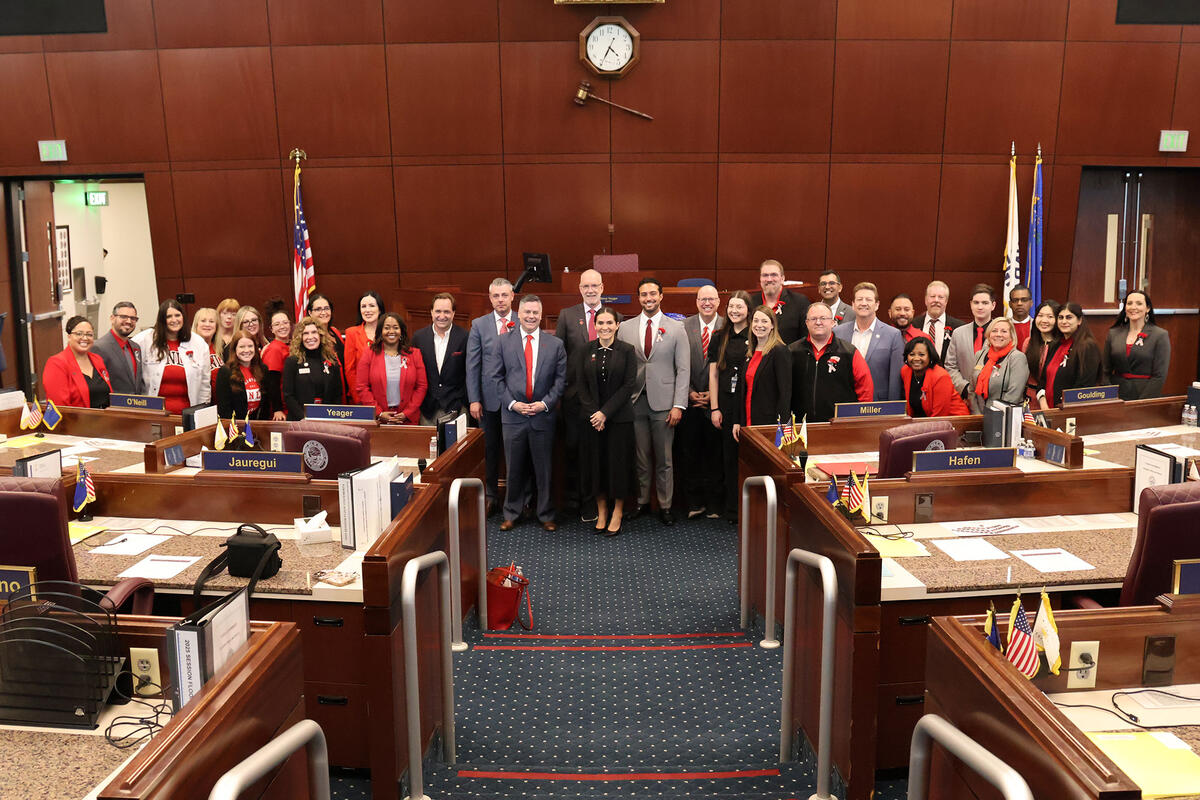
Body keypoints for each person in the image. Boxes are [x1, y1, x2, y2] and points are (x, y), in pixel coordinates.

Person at [617, 277, 689, 526]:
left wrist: (679, 404)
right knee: (641, 458)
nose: (648, 298)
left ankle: (666, 506)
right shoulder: (625, 328)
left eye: (652, 294)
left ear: (661, 296)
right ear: (638, 298)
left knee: (665, 459)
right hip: (635, 401)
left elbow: (683, 369)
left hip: (665, 404)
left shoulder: (677, 328)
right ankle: (642, 502)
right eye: (643, 294)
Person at [492, 295, 566, 532]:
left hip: (543, 415)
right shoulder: (503, 342)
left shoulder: (555, 344)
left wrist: (545, 404)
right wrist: (512, 403)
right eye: (527, 312)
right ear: (519, 314)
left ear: (541, 315)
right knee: (514, 468)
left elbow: (561, 380)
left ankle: (545, 514)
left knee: (544, 468)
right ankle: (512, 512)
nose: (531, 316)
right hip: (513, 416)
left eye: (535, 312)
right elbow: (495, 378)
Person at [575, 307, 636, 536]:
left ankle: (618, 512)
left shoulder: (627, 350)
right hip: (591, 421)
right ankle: (601, 511)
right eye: (600, 323)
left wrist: (605, 413)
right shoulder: (585, 350)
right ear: (595, 325)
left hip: (619, 420)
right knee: (596, 466)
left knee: (617, 467)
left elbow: (628, 386)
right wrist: (595, 414)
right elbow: (580, 386)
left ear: (617, 325)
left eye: (609, 322)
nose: (605, 327)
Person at [554, 269, 608, 519]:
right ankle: (576, 500)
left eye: (594, 286)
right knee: (575, 449)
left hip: (605, 397)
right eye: (586, 286)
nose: (590, 290)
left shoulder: (610, 316)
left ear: (602, 287)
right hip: (575, 397)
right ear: (579, 288)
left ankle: (599, 501)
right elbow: (560, 355)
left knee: (601, 452)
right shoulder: (567, 315)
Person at [467, 278, 517, 516]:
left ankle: (519, 497)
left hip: (518, 400)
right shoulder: (479, 325)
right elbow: (473, 365)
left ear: (512, 297)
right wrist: (474, 399)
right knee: (490, 449)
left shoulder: (522, 319)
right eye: (496, 296)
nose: (500, 300)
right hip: (488, 401)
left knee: (517, 450)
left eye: (504, 295)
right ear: (490, 298)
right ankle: (490, 496)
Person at [681, 284, 724, 519]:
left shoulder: (727, 325)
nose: (707, 303)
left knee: (714, 455)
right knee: (690, 453)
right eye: (702, 299)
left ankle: (715, 504)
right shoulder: (683, 326)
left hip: (716, 403)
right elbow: (677, 363)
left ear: (718, 301)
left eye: (711, 299)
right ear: (696, 302)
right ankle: (694, 502)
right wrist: (688, 392)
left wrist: (712, 394)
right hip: (689, 400)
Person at [709, 290, 752, 524]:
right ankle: (732, 509)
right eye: (731, 307)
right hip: (724, 403)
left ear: (748, 310)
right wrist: (714, 408)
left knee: (749, 457)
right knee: (728, 457)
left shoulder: (755, 333)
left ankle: (751, 508)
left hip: (747, 402)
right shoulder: (719, 336)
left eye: (740, 307)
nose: (735, 311)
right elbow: (713, 374)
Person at [789, 303, 873, 423]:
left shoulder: (849, 352)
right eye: (813, 319)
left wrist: (860, 420)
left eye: (823, 318)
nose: (818, 322)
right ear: (806, 323)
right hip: (799, 426)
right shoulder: (792, 351)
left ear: (833, 322)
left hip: (840, 426)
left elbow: (865, 389)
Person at [134, 299, 211, 413]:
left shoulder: (198, 343)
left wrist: (202, 411)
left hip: (188, 413)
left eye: (177, 315)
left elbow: (205, 384)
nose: (174, 320)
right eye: (168, 316)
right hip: (154, 412)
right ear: (162, 319)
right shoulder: (145, 339)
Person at [833, 282, 904, 401]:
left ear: (877, 305)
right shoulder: (838, 333)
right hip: (844, 403)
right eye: (859, 299)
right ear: (853, 305)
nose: (864, 303)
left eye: (868, 299)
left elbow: (895, 379)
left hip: (877, 405)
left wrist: (892, 410)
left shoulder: (893, 335)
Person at [356, 312, 427, 424]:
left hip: (408, 420)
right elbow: (362, 387)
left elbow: (421, 387)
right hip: (378, 420)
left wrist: (407, 413)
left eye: (395, 327)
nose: (391, 331)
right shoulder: (369, 354)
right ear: (380, 331)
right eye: (387, 328)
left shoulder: (415, 354)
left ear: (401, 332)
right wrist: (379, 412)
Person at [412, 292, 469, 425]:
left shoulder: (465, 337)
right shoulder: (418, 337)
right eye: (438, 311)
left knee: (458, 446)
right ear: (431, 312)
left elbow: (470, 372)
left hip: (456, 408)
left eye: (447, 312)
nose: (442, 316)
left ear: (454, 313)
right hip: (427, 409)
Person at [1103, 290, 1170, 400]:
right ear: (1125, 308)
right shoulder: (1113, 333)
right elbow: (1105, 371)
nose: (1133, 307)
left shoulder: (1160, 335)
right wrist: (1110, 395)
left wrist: (1142, 403)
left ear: (1147, 308)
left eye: (1139, 303)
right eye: (1129, 303)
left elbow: (1159, 376)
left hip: (1144, 396)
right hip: (1116, 396)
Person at [736, 307, 792, 437]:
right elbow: (741, 390)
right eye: (756, 321)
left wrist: (781, 426)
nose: (759, 325)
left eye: (764, 321)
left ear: (772, 325)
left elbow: (785, 393)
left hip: (769, 422)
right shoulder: (749, 352)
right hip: (748, 420)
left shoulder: (779, 351)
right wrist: (738, 421)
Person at [1037, 302, 1103, 410]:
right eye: (1060, 317)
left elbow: (1084, 387)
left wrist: (1061, 410)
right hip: (1048, 411)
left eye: (1069, 317)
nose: (1064, 321)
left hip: (1070, 412)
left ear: (1079, 320)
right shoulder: (1055, 345)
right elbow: (1042, 381)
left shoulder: (1087, 347)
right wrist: (1044, 405)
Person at [282, 317, 345, 420]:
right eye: (306, 333)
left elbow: (337, 394)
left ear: (320, 335)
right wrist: (304, 418)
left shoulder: (331, 361)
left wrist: (332, 418)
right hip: (300, 421)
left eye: (314, 332)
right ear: (300, 337)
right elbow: (288, 396)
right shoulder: (292, 362)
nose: (310, 337)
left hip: (326, 421)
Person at [43, 316, 111, 408]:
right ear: (69, 336)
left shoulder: (97, 359)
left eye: (89, 334)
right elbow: (60, 407)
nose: (85, 338)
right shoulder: (56, 363)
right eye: (79, 334)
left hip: (106, 418)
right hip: (76, 420)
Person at [965, 318, 1030, 414]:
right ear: (989, 334)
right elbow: (971, 389)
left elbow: (1013, 396)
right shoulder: (980, 354)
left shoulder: (1017, 358)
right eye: (994, 331)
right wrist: (977, 414)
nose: (998, 334)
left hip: (1004, 417)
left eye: (1004, 331)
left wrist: (992, 418)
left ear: (1011, 336)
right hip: (978, 415)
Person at [945, 283, 997, 395]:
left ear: (993, 305)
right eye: (976, 302)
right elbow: (950, 366)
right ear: (971, 304)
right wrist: (964, 388)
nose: (980, 307)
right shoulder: (958, 333)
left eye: (985, 303)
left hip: (992, 396)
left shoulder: (1001, 334)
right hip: (964, 396)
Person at [900, 337, 967, 417]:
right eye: (912, 354)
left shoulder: (941, 376)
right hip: (923, 421)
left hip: (952, 420)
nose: (916, 358)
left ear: (930, 356)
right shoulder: (906, 371)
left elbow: (939, 415)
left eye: (921, 354)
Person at [750, 259, 810, 344]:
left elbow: (806, 337)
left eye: (774, 275)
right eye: (765, 275)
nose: (769, 279)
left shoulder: (800, 302)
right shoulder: (751, 302)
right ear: (760, 279)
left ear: (782, 278)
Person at [215, 329, 269, 420]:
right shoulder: (225, 372)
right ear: (234, 349)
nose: (247, 350)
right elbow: (224, 409)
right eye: (242, 347)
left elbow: (266, 405)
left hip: (257, 424)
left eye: (250, 346)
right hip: (235, 426)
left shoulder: (262, 369)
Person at [92, 301, 143, 394]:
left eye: (133, 318)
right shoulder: (99, 347)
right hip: (114, 406)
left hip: (136, 406)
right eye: (123, 317)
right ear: (112, 318)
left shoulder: (136, 347)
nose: (128, 321)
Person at [343, 291, 385, 404]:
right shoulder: (351, 333)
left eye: (372, 306)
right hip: (360, 398)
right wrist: (360, 399)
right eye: (363, 306)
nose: (367, 310)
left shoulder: (388, 332)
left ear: (380, 309)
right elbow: (350, 370)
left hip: (386, 397)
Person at [912, 280, 964, 364]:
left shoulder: (959, 328)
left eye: (940, 297)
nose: (936, 300)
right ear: (926, 300)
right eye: (932, 296)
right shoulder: (913, 325)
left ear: (946, 301)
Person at [1024, 300, 1061, 406]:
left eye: (1050, 317)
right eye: (1040, 316)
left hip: (1052, 400)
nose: (1044, 320)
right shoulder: (1028, 342)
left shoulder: (1062, 346)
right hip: (1030, 400)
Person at [260, 306, 292, 421]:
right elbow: (272, 382)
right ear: (271, 329)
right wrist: (277, 409)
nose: (282, 326)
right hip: (281, 410)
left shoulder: (291, 345)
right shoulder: (274, 349)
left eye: (285, 322)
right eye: (277, 324)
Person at [306, 293, 346, 366]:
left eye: (326, 308)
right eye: (318, 309)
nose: (323, 312)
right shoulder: (310, 336)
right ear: (310, 313)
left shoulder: (334, 331)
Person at [191, 306, 224, 390]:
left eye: (211, 321)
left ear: (216, 327)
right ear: (196, 325)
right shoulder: (189, 350)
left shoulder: (221, 348)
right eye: (203, 321)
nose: (207, 324)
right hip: (201, 400)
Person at [1008, 284, 1034, 350]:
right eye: (1015, 300)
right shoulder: (1002, 325)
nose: (1019, 303)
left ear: (1031, 303)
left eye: (1024, 300)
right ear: (1010, 304)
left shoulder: (1038, 326)